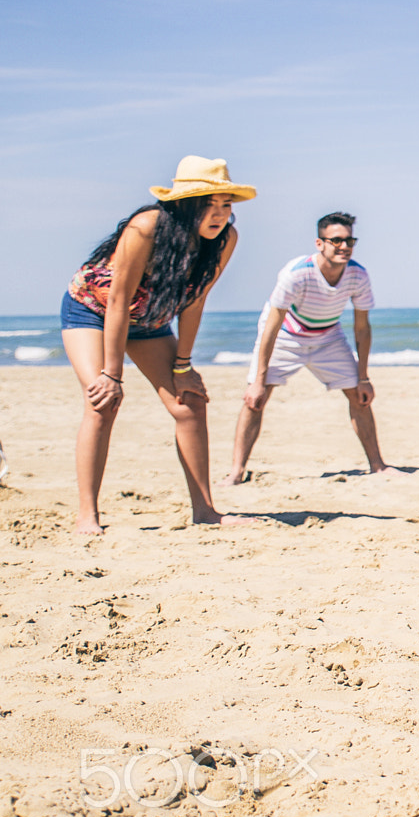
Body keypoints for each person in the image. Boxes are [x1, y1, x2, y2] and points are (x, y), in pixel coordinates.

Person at [58, 156, 255, 535]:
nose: (219, 215)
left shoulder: (226, 238)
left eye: (225, 205)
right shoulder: (146, 227)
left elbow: (196, 300)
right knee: (102, 399)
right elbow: (118, 299)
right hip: (94, 311)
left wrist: (183, 365)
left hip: (150, 319)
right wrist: (111, 374)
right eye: (208, 204)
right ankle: (88, 515)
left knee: (191, 403)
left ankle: (206, 511)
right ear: (183, 204)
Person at [227, 212, 396, 483]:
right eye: (337, 240)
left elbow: (362, 328)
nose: (345, 246)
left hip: (327, 336)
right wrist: (258, 380)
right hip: (286, 335)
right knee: (255, 400)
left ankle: (378, 465)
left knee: (360, 397)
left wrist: (363, 377)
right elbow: (271, 326)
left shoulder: (357, 275)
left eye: (350, 240)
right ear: (320, 243)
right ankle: (236, 471)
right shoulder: (297, 274)